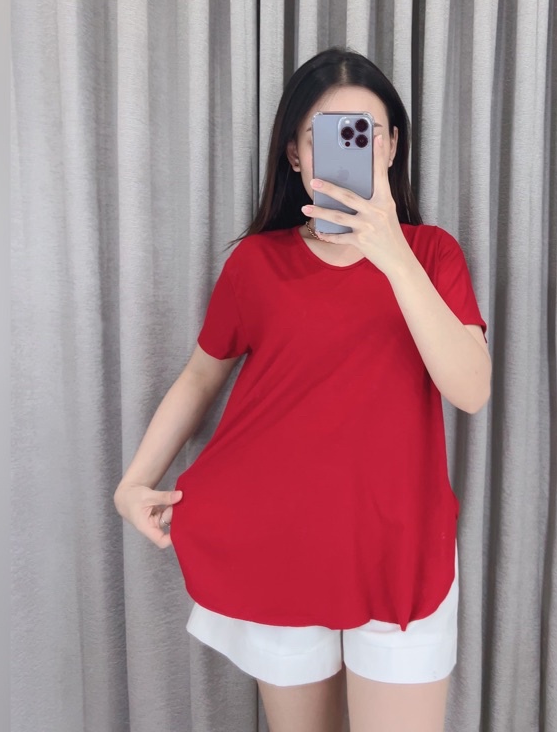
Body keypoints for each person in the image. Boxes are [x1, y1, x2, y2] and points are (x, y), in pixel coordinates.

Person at [114, 47, 491, 732]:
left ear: (391, 146)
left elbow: (470, 388)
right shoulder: (258, 263)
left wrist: (391, 253)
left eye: (364, 134)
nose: (348, 151)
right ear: (295, 153)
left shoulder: (433, 254)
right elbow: (201, 375)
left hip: (400, 549)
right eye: (325, 136)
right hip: (279, 542)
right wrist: (134, 481)